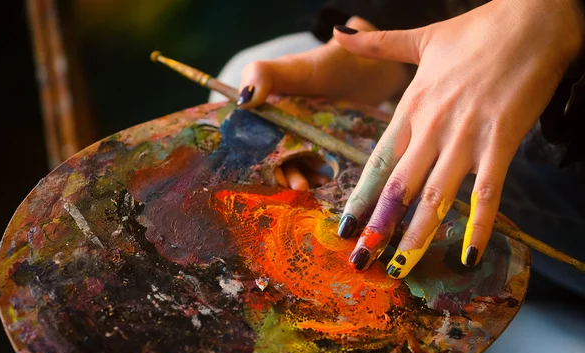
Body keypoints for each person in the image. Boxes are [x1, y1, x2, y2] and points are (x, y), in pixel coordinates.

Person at [219, 0, 585, 295]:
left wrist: (557, 18)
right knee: (243, 85)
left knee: (428, 196)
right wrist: (382, 50)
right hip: (465, 29)